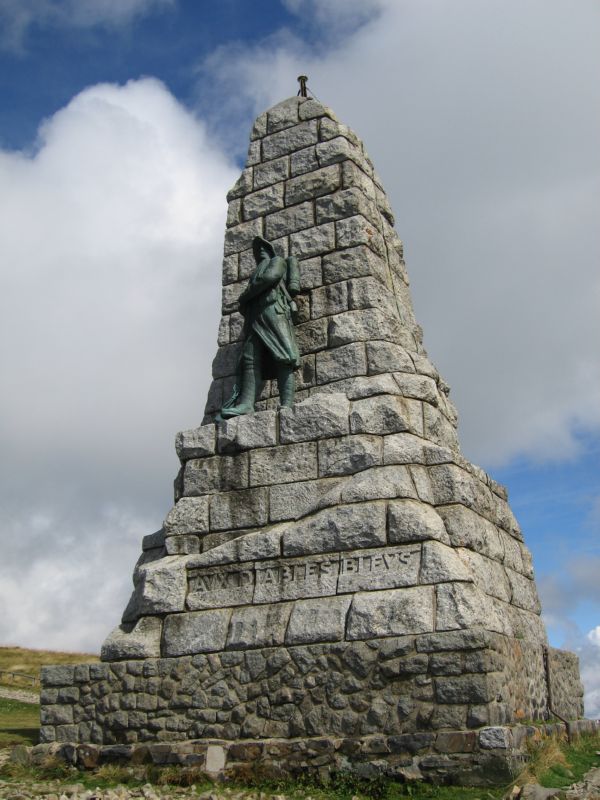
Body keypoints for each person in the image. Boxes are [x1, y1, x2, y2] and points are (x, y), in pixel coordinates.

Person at [218, 236, 300, 418]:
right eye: (256, 249)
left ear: (270, 249)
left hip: (273, 312)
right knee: (249, 359)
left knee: (284, 355)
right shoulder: (256, 271)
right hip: (255, 319)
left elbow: (271, 278)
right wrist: (249, 296)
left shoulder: (277, 261)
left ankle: (286, 403)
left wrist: (246, 295)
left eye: (263, 246)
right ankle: (246, 404)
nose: (260, 249)